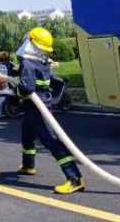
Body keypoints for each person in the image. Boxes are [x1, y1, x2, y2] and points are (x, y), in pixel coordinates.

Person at [16, 27, 85, 194]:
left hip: (37, 108)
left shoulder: (27, 63)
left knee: (51, 140)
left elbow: (26, 88)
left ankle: (75, 178)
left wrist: (17, 88)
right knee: (27, 134)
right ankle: (28, 165)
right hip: (36, 105)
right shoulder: (42, 61)